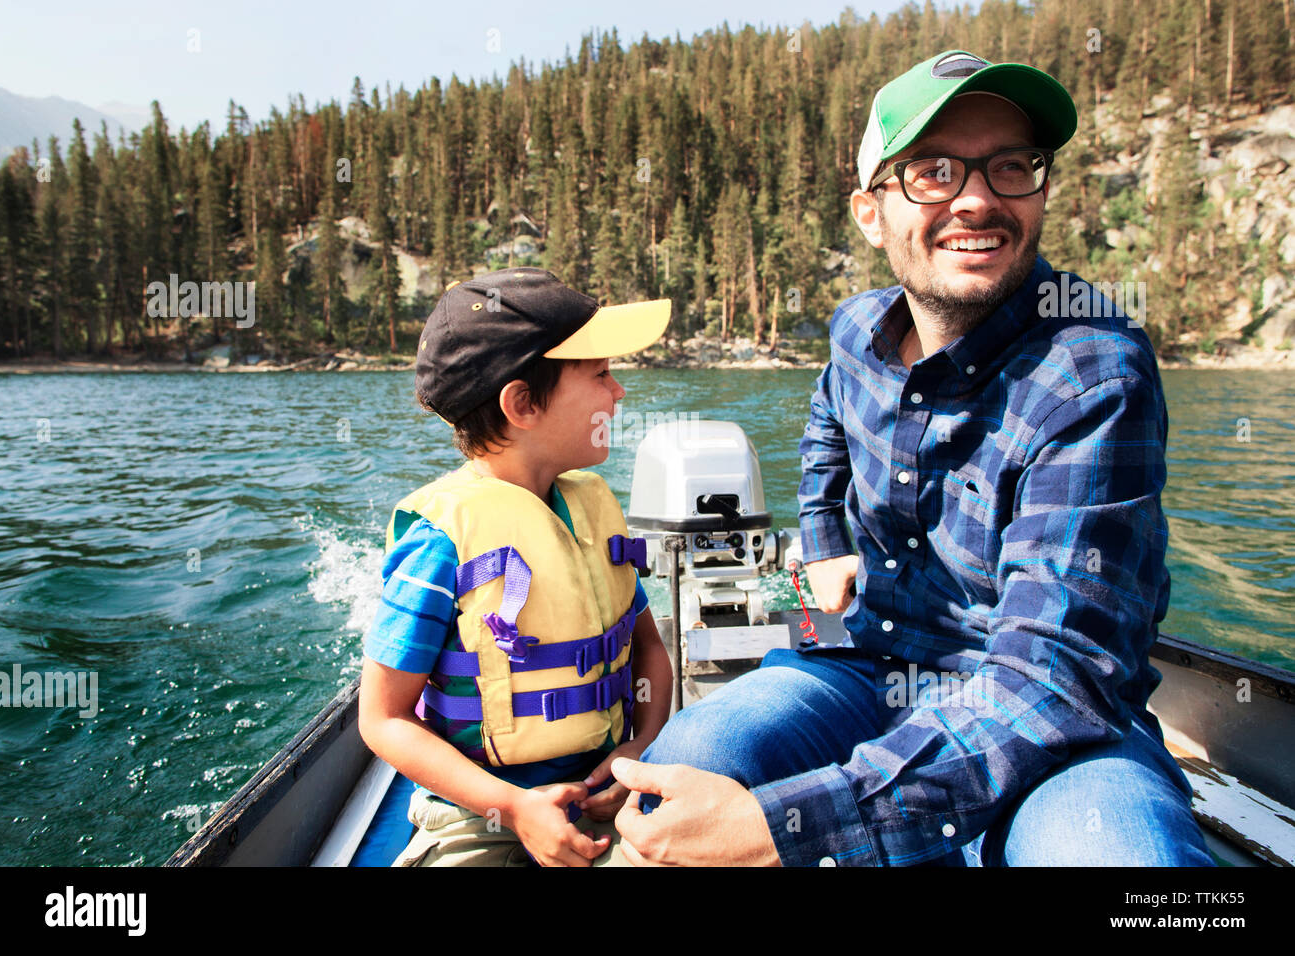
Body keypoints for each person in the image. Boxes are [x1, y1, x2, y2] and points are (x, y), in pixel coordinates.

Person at [610, 50, 1214, 866]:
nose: (977, 199)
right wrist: (823, 539)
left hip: (1042, 715)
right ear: (871, 212)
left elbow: (1057, 676)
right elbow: (826, 418)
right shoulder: (856, 331)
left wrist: (790, 826)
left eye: (1011, 167)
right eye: (933, 171)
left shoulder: (1093, 371)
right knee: (679, 776)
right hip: (860, 664)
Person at [359, 267, 674, 867]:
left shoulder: (592, 508)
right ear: (523, 403)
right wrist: (513, 805)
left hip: (612, 795)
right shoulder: (439, 542)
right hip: (480, 817)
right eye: (601, 374)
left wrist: (640, 742)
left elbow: (649, 651)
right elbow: (383, 718)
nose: (620, 392)